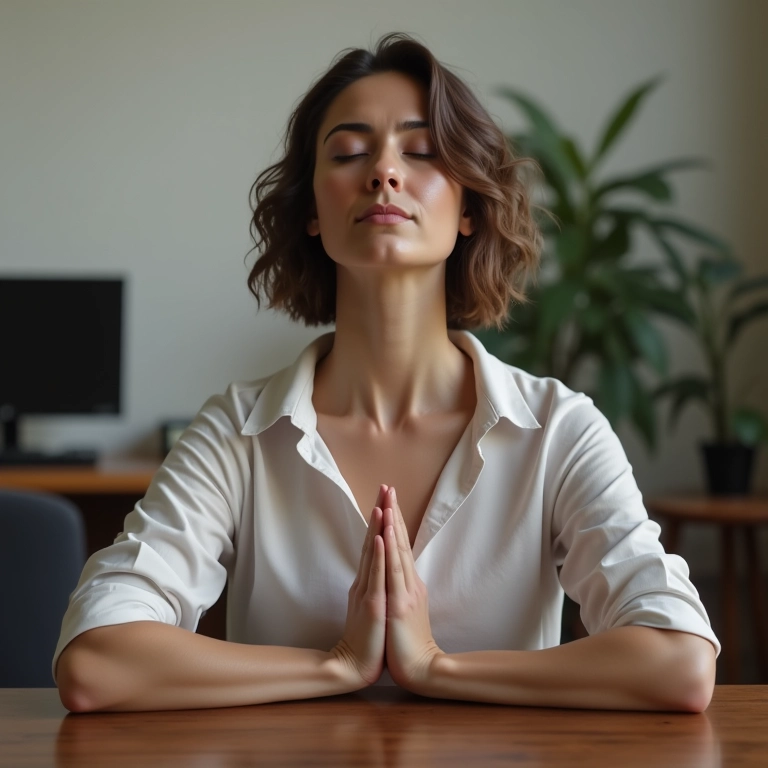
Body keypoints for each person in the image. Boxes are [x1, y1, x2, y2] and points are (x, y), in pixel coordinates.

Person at [53, 32, 720, 714]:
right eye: (348, 153)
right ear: (312, 213)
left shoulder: (557, 431)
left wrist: (435, 668)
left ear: (469, 208)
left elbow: (678, 663)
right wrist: (336, 666)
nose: (383, 172)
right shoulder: (237, 432)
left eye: (421, 151)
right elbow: (97, 661)